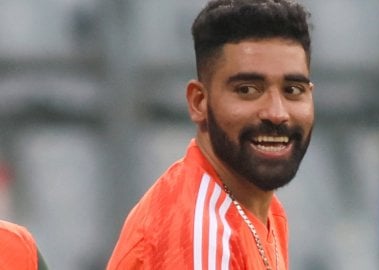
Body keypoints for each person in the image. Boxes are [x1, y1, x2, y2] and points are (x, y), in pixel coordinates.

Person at [107, 0, 314, 269]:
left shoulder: (264, 209)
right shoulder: (202, 233)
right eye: (248, 90)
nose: (277, 113)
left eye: (293, 90)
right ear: (199, 102)